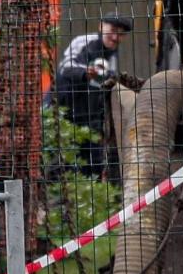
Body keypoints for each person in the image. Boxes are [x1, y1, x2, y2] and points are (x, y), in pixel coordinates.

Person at [52, 15, 129, 181]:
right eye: (113, 31)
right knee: (60, 163)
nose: (116, 37)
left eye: (121, 34)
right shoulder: (85, 42)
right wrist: (85, 72)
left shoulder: (113, 54)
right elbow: (65, 67)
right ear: (101, 26)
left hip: (90, 118)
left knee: (92, 165)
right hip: (65, 111)